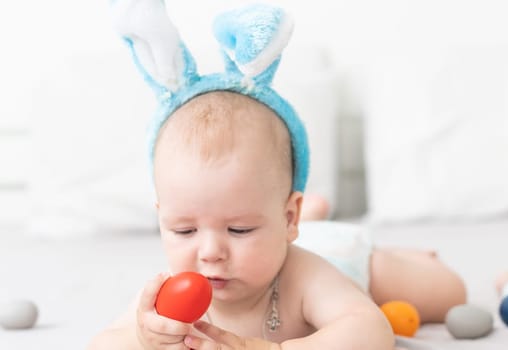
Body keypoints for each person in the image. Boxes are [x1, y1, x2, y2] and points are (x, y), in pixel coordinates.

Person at [90, 2, 465, 349]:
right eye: (184, 230)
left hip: (340, 252)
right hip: (290, 229)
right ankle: (314, 216)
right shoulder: (166, 295)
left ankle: (389, 251)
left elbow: (372, 331)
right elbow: (101, 343)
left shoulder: (304, 277)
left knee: (448, 295)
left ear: (289, 218)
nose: (209, 253)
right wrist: (141, 337)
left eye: (239, 230)